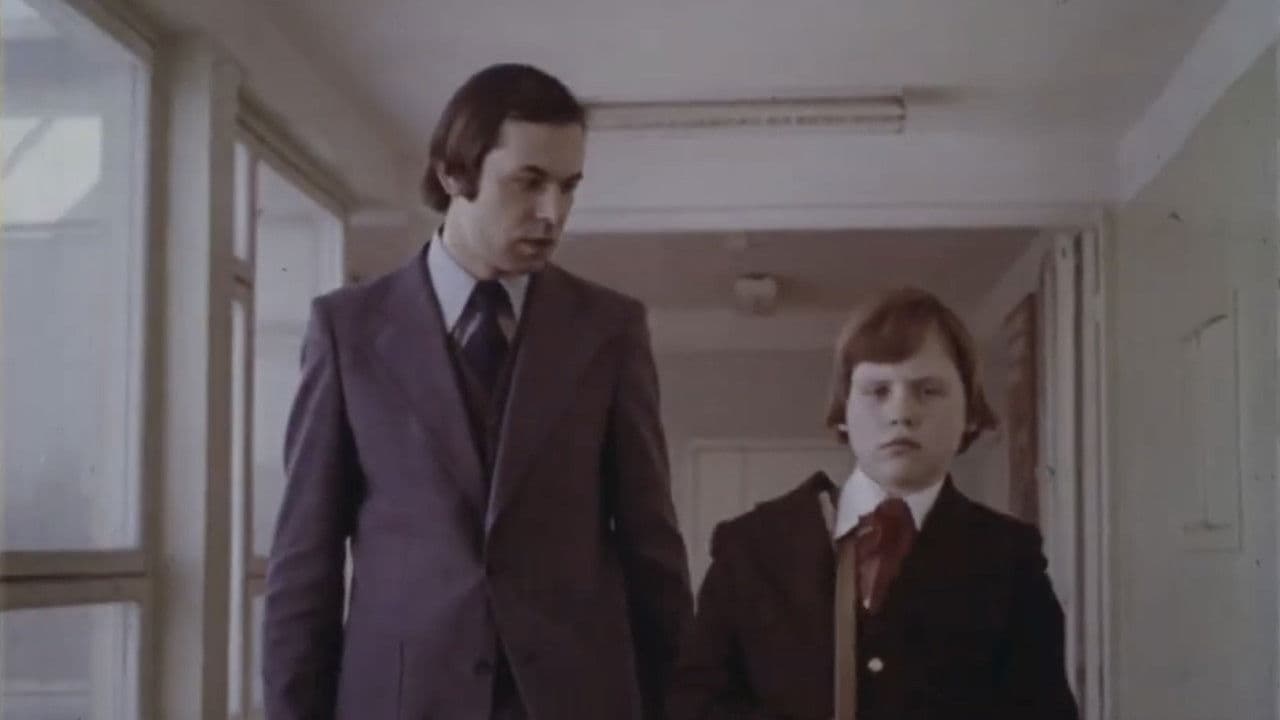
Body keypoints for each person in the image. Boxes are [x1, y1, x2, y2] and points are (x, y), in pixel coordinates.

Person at [263, 63, 693, 720]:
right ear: (453, 174)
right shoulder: (348, 332)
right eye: (529, 182)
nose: (553, 213)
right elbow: (305, 565)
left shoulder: (609, 330)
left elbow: (652, 552)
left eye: (568, 187)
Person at [666, 287, 1078, 720]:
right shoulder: (751, 547)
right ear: (843, 411)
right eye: (877, 391)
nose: (901, 413)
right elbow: (693, 708)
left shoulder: (1009, 558)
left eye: (929, 391)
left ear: (970, 414)